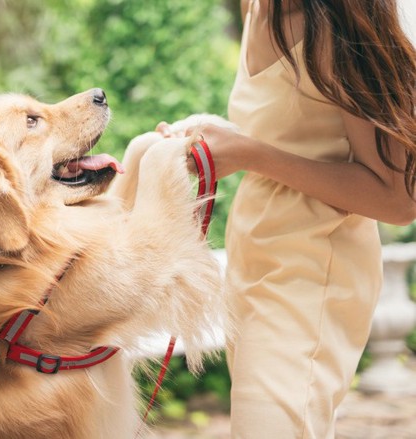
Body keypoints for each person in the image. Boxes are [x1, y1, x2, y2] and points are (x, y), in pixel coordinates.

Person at [157, 0, 416, 437]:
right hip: (253, 266)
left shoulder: (339, 25)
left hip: (312, 277)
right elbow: (288, 133)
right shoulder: (257, 7)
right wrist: (211, 138)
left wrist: (247, 154)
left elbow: (399, 200)